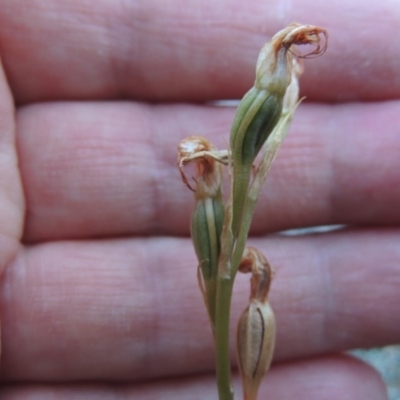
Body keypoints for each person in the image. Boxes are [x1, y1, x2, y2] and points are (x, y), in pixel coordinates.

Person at [0, 1, 398, 398]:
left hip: (256, 123)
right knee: (219, 278)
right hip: (233, 165)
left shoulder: (263, 109)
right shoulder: (235, 155)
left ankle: (250, 392)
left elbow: (244, 162)